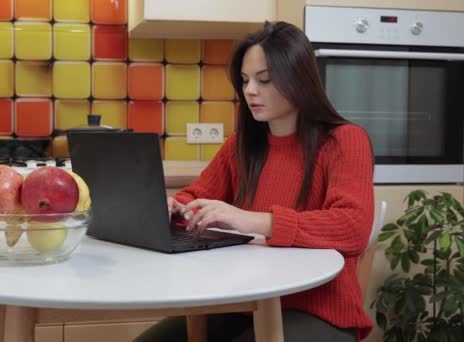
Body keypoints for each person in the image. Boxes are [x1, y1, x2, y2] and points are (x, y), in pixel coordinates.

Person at [134, 21, 375, 342]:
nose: (250, 91)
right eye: (245, 80)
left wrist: (253, 220)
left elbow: (352, 227)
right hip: (240, 299)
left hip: (317, 308)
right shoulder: (241, 145)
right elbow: (197, 195)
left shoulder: (345, 141)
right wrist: (175, 206)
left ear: (299, 81)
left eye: (265, 80)